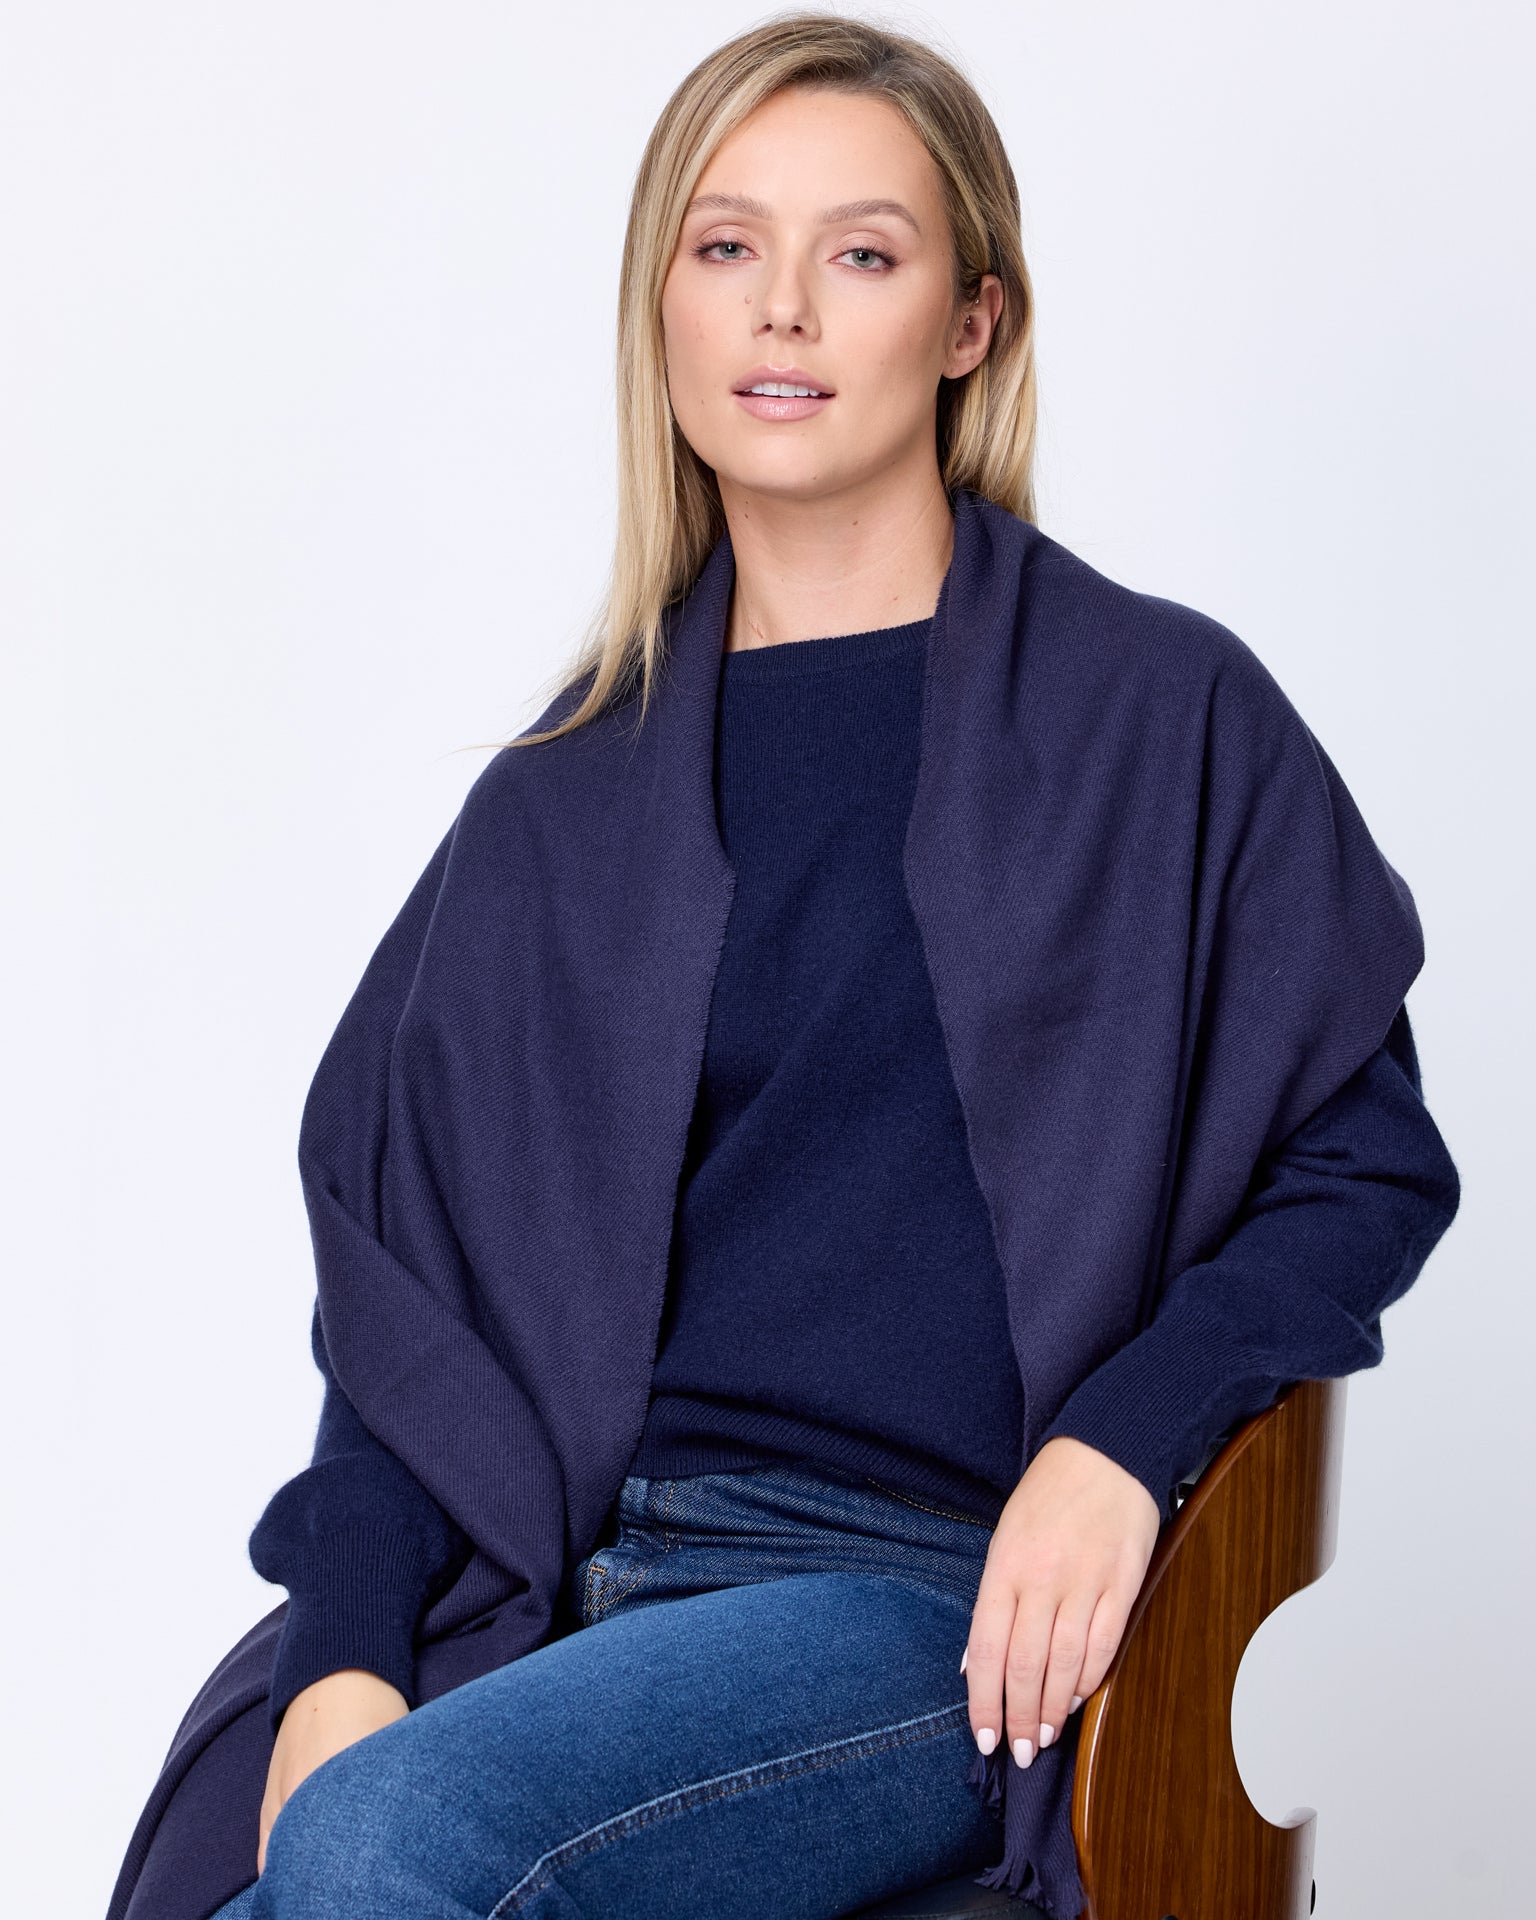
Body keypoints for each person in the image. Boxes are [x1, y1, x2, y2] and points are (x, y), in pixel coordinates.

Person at [106, 14, 1460, 1920]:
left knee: (390, 1844)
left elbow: (1366, 1164)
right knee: (299, 1853)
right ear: (660, 306)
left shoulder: (1161, 718)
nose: (784, 311)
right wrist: (341, 1649)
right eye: (728, 244)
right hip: (560, 1593)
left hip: (920, 1603)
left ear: (971, 323)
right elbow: (414, 1319)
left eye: (864, 253)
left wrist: (1118, 1442)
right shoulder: (560, 804)